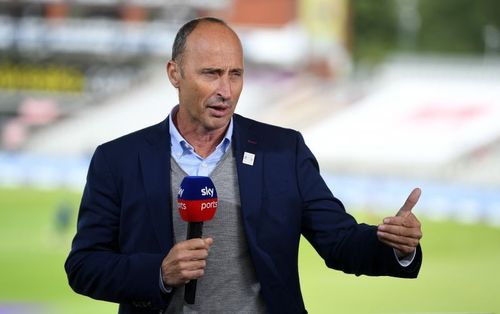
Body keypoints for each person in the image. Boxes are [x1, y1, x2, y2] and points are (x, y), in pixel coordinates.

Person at [65, 17, 423, 314]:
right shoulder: (118, 160)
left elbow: (340, 242)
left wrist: (395, 246)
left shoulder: (283, 151)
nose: (226, 89)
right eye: (211, 73)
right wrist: (158, 272)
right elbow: (84, 267)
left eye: (235, 74)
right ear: (175, 74)